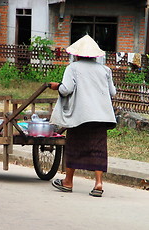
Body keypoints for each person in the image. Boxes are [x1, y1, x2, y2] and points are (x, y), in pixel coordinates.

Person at [49, 35, 117, 197]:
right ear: (95, 56)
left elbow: (66, 90)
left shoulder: (73, 68)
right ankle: (98, 184)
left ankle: (68, 181)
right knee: (98, 148)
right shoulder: (105, 70)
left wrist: (56, 86)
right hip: (101, 116)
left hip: (80, 116)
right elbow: (112, 92)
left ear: (77, 54)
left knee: (74, 146)